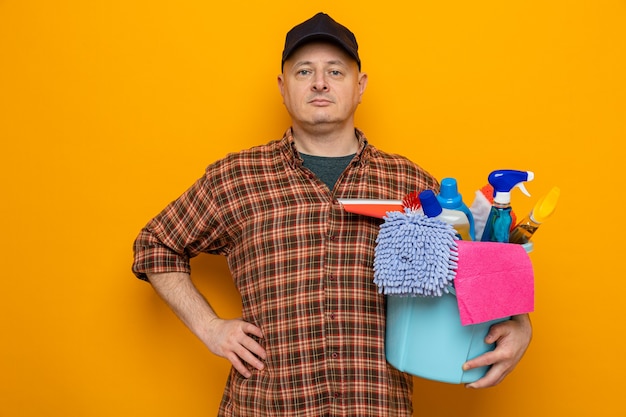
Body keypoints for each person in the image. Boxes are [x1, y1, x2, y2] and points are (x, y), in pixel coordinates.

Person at [132, 12, 532, 417]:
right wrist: (210, 327)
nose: (320, 82)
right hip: (267, 406)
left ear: (359, 87)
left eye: (335, 71)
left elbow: (472, 266)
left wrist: (520, 324)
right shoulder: (235, 178)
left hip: (376, 406)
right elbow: (155, 245)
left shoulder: (412, 185)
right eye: (304, 71)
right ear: (282, 88)